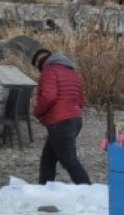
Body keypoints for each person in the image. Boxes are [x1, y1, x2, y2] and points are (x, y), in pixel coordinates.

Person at [32, 48, 91, 185]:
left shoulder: (49, 71)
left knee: (69, 161)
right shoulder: (72, 72)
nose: (39, 70)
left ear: (41, 62)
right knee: (48, 159)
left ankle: (89, 191)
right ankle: (44, 189)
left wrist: (37, 112)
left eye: (37, 66)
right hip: (75, 120)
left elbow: (49, 97)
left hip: (60, 123)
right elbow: (80, 100)